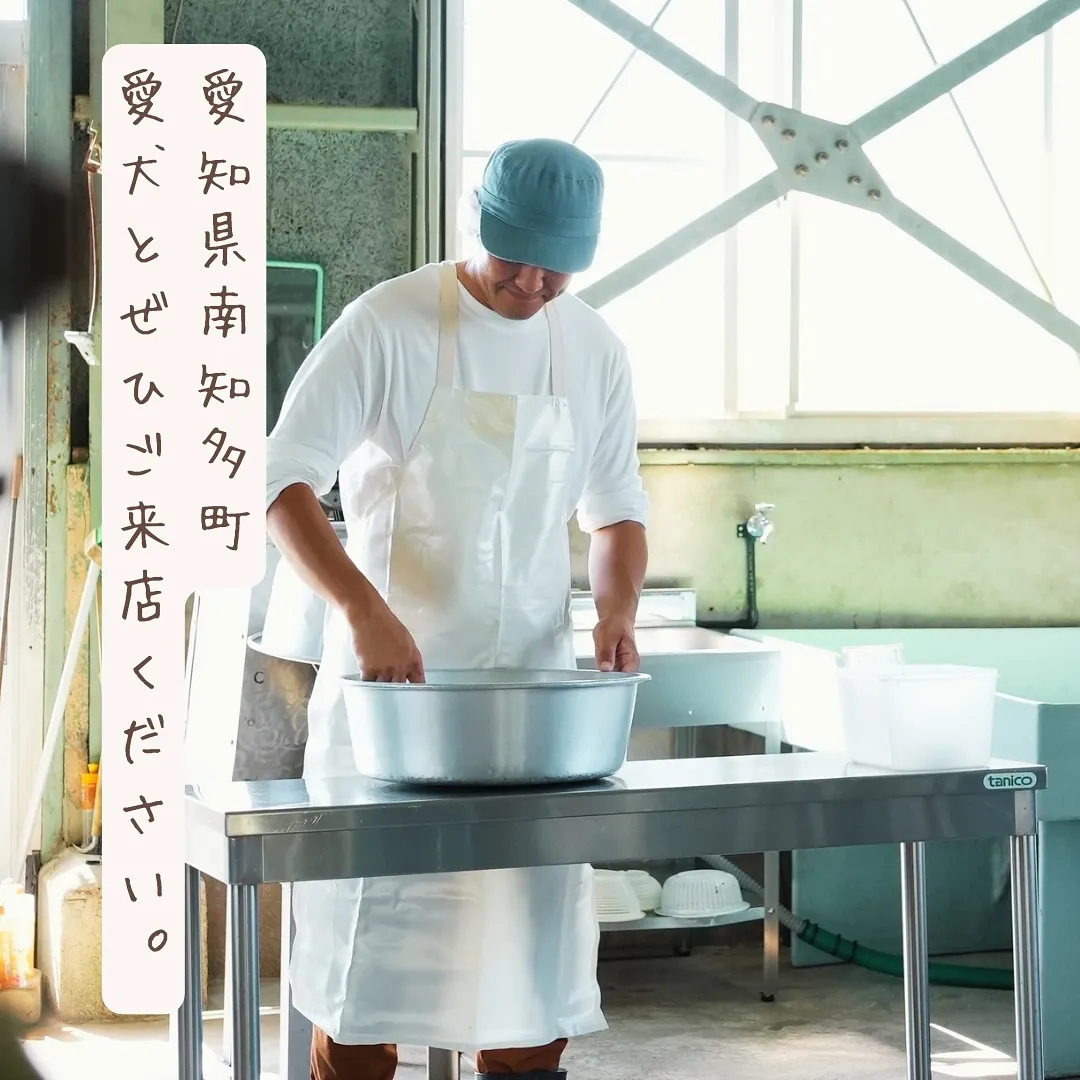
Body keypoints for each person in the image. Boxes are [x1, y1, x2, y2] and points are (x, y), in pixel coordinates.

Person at [265, 137, 649, 1080]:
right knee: (362, 991)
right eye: (514, 256)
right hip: (393, 710)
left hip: (527, 720)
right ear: (477, 224)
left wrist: (615, 609)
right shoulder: (388, 323)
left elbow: (617, 510)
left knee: (530, 988)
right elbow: (281, 483)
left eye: (557, 267)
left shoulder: (591, 347)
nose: (530, 282)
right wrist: (362, 608)